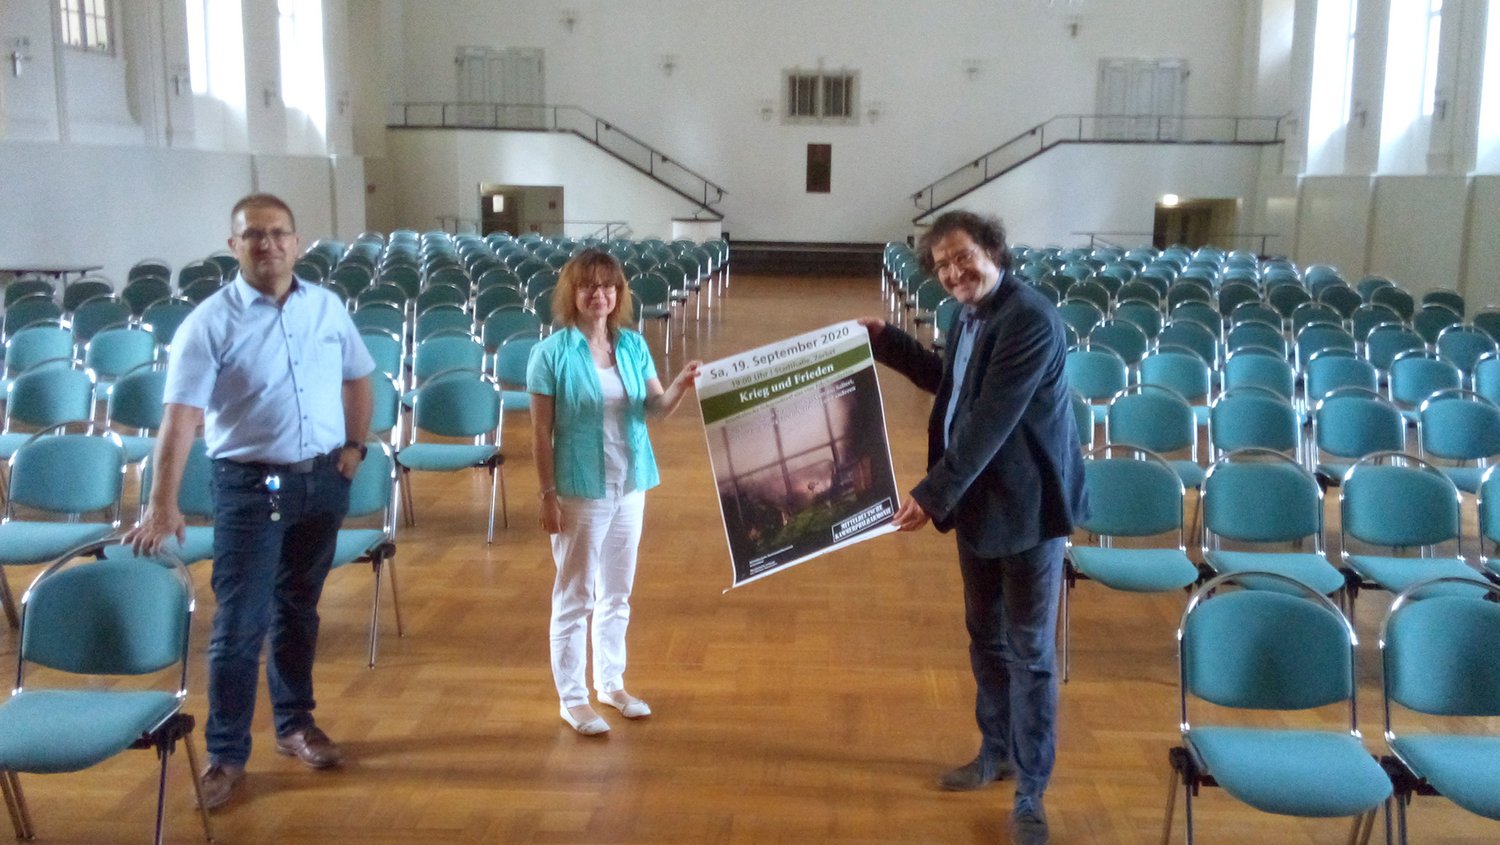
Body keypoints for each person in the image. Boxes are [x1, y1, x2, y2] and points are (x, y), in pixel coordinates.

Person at [125, 193, 375, 810]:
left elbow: (357, 376)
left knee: (299, 609)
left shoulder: (327, 308)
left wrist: (354, 451)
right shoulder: (209, 323)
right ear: (233, 244)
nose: (268, 244)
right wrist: (162, 503)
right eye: (253, 235)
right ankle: (226, 754)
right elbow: (180, 419)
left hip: (322, 482)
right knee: (239, 626)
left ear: (297, 241)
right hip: (247, 486)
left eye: (278, 233)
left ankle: (294, 725)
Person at [859, 211, 1087, 845]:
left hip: (1032, 510)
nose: (954, 272)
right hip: (983, 504)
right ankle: (995, 751)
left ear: (994, 250)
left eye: (964, 257)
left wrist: (931, 496)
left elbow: (989, 418)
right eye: (942, 266)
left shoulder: (1030, 319)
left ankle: (1031, 790)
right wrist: (887, 341)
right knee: (984, 637)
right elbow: (952, 386)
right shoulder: (969, 314)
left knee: (1031, 652)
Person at [527, 249, 701, 736]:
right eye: (588, 286)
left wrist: (682, 385)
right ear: (572, 293)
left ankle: (611, 683)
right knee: (575, 594)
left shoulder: (631, 346)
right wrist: (546, 495)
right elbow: (540, 433)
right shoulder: (551, 353)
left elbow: (655, 407)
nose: (598, 294)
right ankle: (573, 698)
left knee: (618, 592)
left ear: (618, 293)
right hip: (580, 487)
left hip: (630, 483)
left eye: (607, 285)